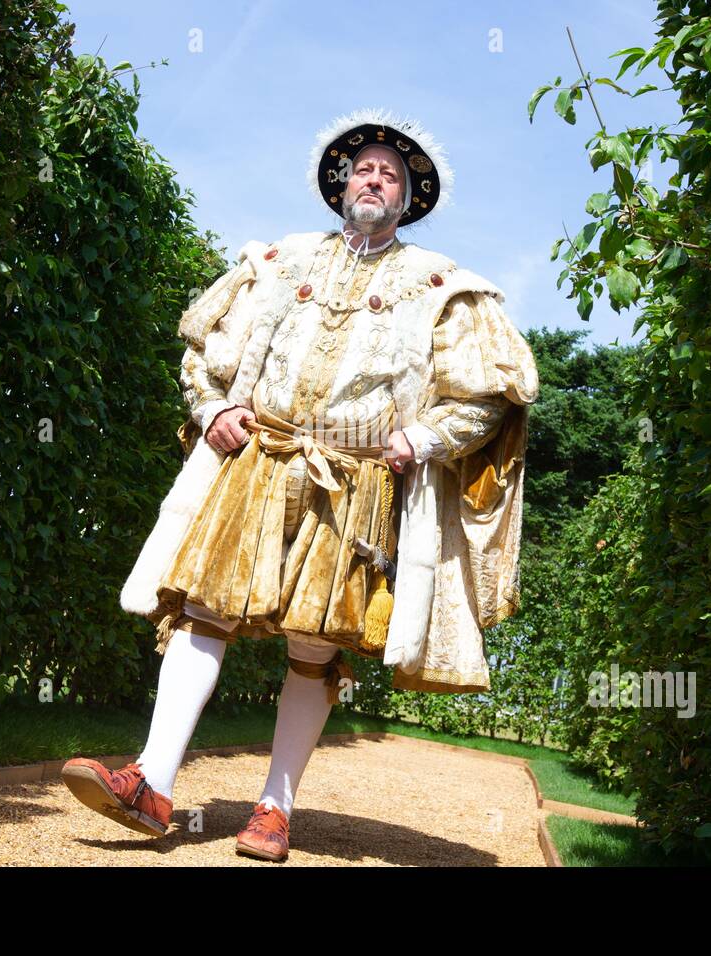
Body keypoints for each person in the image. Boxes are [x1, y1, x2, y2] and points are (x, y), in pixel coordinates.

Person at [61, 108, 539, 862]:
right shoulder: (279, 262)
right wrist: (214, 407)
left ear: (410, 198)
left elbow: (486, 396)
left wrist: (422, 436)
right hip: (261, 459)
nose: (374, 177)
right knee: (204, 606)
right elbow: (204, 356)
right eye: (364, 167)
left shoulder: (442, 285)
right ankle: (151, 784)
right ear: (341, 184)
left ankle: (274, 811)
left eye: (392, 172)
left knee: (313, 641)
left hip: (358, 480)